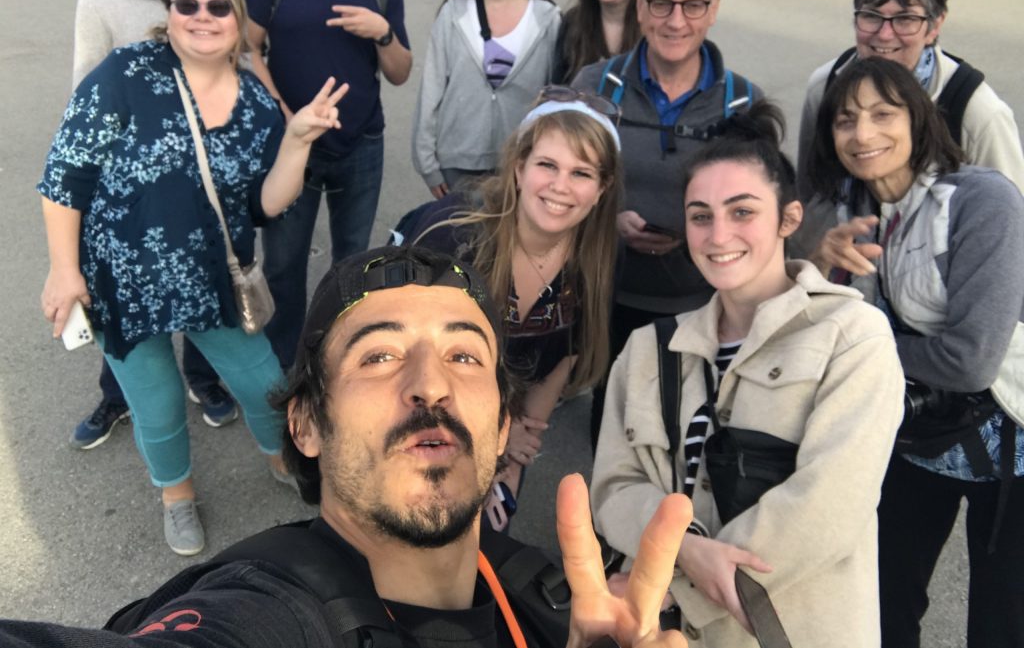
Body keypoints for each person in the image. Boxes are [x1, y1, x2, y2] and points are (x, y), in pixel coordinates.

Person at [3, 246, 694, 648]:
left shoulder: (549, 601)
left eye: (463, 355)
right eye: (379, 355)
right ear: (305, 424)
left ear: (504, 426)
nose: (431, 385)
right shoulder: (270, 612)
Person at [39, 0, 348, 556]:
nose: (202, 17)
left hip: (211, 277)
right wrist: (64, 269)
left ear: (236, 18)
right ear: (169, 14)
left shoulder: (256, 103)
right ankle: (176, 495)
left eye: (217, 6)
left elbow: (264, 203)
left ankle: (283, 459)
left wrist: (297, 142)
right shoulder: (127, 72)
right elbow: (65, 173)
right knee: (154, 399)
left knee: (264, 382)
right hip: (120, 278)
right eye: (187, 5)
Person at [592, 100, 905, 647]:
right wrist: (685, 546)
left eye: (742, 212)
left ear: (789, 219)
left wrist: (674, 584)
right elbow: (613, 488)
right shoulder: (647, 349)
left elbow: (828, 507)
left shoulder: (852, 336)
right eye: (700, 216)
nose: (718, 235)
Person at [808, 57, 1024, 648]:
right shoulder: (850, 210)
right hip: (912, 436)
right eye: (846, 119)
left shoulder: (983, 200)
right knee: (879, 606)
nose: (863, 133)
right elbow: (814, 325)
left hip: (1010, 442)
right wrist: (822, 263)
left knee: (1003, 624)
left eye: (883, 114)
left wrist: (863, 348)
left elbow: (971, 360)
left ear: (919, 120)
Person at [69, 0, 240, 449]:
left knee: (204, 289)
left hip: (200, 187)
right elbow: (85, 96)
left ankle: (202, 380)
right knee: (124, 302)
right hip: (129, 194)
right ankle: (118, 396)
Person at [572, 0, 761, 448]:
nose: (676, 21)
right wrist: (606, 220)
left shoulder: (744, 103)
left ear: (713, 9)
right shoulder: (594, 87)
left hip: (705, 307)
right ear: (640, 7)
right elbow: (556, 190)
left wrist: (700, 229)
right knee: (612, 434)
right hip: (609, 301)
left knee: (689, 440)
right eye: (661, 4)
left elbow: (759, 221)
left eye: (693, 5)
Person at [406, 91, 623, 528]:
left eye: (581, 173)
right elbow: (407, 355)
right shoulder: (453, 236)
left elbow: (564, 356)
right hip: (420, 414)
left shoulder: (595, 262)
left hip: (506, 425)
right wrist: (493, 440)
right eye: (548, 165)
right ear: (520, 168)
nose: (561, 186)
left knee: (489, 535)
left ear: (601, 189)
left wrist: (521, 436)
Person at [245, 0, 413, 370]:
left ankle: (338, 362)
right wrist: (281, 109)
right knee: (283, 264)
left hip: (361, 145)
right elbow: (248, 45)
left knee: (352, 262)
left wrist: (383, 32)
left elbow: (400, 73)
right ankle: (284, 366)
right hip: (291, 147)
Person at [792, 0, 1024, 258]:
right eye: (871, 16)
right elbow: (811, 189)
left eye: (905, 19)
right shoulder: (825, 87)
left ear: (935, 25)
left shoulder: (975, 111)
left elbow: (1009, 221)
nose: (885, 34)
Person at [411, 0, 560, 198]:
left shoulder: (547, 19)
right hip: (457, 162)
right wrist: (427, 163)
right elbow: (431, 89)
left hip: (521, 163)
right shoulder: (454, 13)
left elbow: (553, 98)